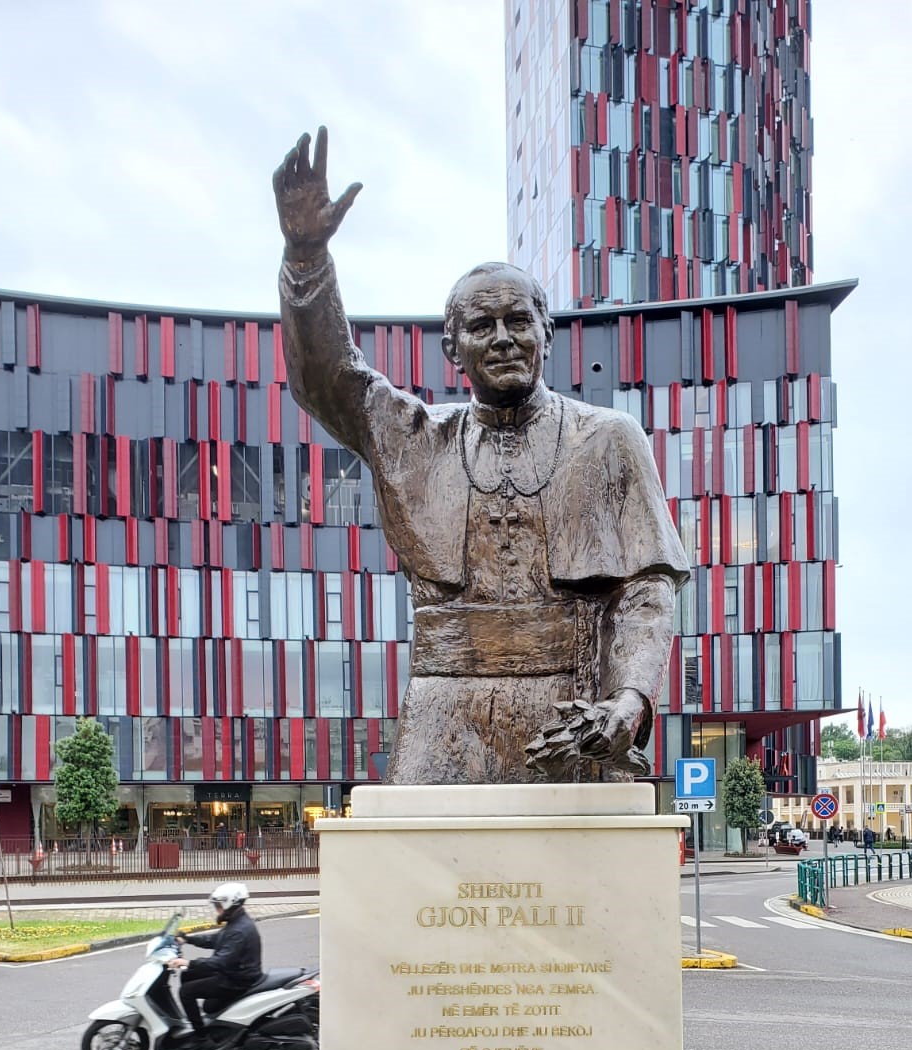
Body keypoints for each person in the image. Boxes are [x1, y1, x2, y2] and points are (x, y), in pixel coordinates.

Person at [274, 127, 689, 784]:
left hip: (570, 710)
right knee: (421, 882)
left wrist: (629, 700)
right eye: (481, 326)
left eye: (518, 320)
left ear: (546, 333)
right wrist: (305, 258)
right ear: (453, 347)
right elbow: (329, 378)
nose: (502, 339)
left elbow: (645, 590)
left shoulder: (609, 439)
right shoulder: (416, 438)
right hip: (443, 709)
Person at [170, 883, 263, 1034]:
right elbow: (214, 940)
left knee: (186, 992)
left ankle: (200, 1036)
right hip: (233, 972)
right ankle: (201, 1017)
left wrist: (188, 962)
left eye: (218, 905)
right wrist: (187, 939)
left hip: (238, 980)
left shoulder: (238, 930)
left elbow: (219, 962)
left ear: (229, 904)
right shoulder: (236, 922)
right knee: (188, 974)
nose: (216, 909)